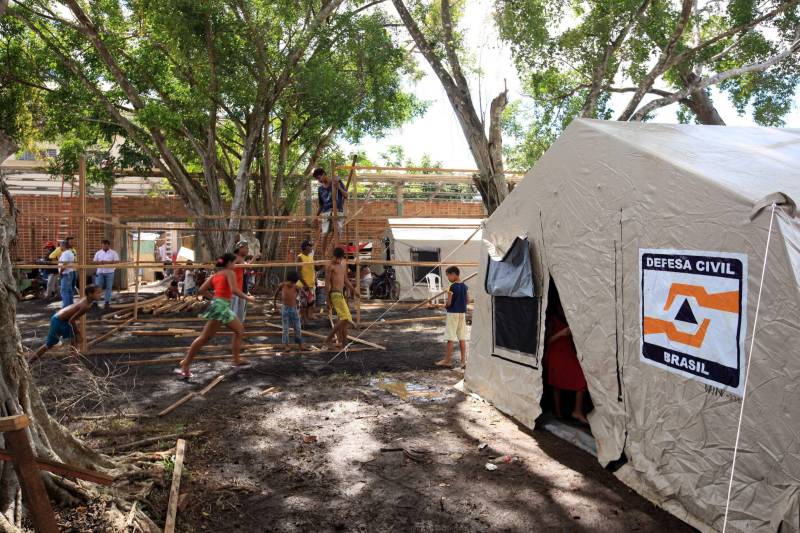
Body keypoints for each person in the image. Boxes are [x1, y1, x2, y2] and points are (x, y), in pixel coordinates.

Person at [176, 253, 255, 378]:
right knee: (204, 338)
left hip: (221, 306)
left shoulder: (216, 275)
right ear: (229, 263)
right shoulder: (230, 273)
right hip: (221, 308)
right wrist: (248, 297)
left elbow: (201, 290)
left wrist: (214, 298)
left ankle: (236, 359)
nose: (235, 265)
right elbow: (234, 289)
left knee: (239, 331)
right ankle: (185, 362)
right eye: (234, 263)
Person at [545, 293, 589, 424]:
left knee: (582, 379)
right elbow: (545, 342)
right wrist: (561, 334)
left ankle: (576, 411)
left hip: (568, 354)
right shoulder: (552, 320)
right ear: (558, 308)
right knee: (556, 384)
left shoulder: (571, 319)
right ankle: (558, 412)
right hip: (556, 355)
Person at [30, 285, 103, 361]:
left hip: (59, 319)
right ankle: (73, 363)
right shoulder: (85, 306)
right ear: (90, 294)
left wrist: (76, 333)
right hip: (59, 321)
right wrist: (77, 332)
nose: (100, 295)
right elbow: (71, 320)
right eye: (98, 293)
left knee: (71, 340)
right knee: (54, 343)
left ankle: (73, 362)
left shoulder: (85, 300)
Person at [325, 247, 358, 348]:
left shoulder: (342, 265)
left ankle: (344, 343)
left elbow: (346, 280)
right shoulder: (330, 266)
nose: (337, 260)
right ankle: (328, 339)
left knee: (345, 319)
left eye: (339, 259)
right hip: (334, 294)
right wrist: (328, 300)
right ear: (334, 256)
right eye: (336, 258)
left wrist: (354, 290)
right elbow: (327, 284)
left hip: (340, 295)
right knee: (345, 318)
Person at [436, 266, 469, 368]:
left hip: (453, 314)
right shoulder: (465, 286)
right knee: (462, 338)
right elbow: (468, 300)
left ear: (453, 274)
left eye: (448, 276)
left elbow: (449, 303)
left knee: (450, 338)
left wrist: (444, 306)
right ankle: (463, 361)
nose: (448, 278)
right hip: (462, 314)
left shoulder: (452, 287)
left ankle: (447, 360)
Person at [315, 168, 348, 258]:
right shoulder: (320, 189)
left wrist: (338, 187)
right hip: (326, 212)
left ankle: (334, 255)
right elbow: (321, 205)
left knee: (337, 233)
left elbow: (346, 195)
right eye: (317, 179)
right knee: (325, 233)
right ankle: (323, 255)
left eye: (319, 178)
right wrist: (316, 216)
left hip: (337, 210)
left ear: (324, 174)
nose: (319, 181)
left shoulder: (336, 182)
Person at [274, 271, 306, 350]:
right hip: (285, 309)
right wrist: (275, 305)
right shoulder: (282, 285)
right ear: (287, 280)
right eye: (290, 282)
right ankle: (286, 345)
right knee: (285, 328)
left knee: (298, 328)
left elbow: (303, 294)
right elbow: (276, 294)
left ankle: (300, 345)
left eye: (293, 283)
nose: (291, 284)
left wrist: (300, 302)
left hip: (294, 309)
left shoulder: (296, 287)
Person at [92, 239, 119, 308]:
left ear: (108, 245)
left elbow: (117, 262)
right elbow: (94, 262)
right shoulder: (98, 253)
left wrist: (107, 262)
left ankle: (107, 302)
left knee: (109, 287)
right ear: (102, 245)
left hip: (110, 272)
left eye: (106, 245)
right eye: (103, 245)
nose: (104, 247)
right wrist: (100, 263)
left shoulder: (113, 253)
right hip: (100, 272)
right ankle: (95, 302)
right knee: (97, 287)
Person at [229, 240, 250, 324]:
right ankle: (235, 329)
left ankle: (238, 329)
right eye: (246, 248)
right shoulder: (236, 257)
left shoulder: (240, 258)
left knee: (239, 312)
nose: (248, 250)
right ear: (240, 248)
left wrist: (254, 258)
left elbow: (248, 267)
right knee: (234, 311)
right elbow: (248, 266)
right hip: (234, 289)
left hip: (240, 288)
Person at [296, 240, 316, 324]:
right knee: (303, 304)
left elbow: (313, 269)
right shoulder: (300, 257)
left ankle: (309, 316)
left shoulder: (310, 257)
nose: (311, 247)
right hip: (303, 285)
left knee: (310, 302)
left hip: (311, 284)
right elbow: (298, 273)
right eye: (309, 246)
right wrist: (305, 284)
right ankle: (303, 320)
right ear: (305, 247)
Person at [58, 239, 77, 307]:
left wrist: (60, 273)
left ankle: (66, 307)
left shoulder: (66, 253)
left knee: (64, 291)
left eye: (60, 245)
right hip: (69, 273)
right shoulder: (70, 252)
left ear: (63, 245)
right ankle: (70, 306)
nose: (60, 246)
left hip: (66, 273)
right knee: (69, 290)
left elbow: (64, 264)